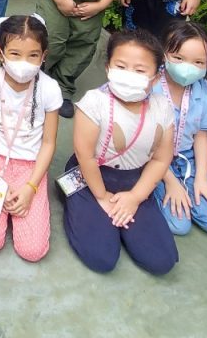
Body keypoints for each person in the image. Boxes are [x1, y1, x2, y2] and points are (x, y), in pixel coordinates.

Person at [63, 29, 178, 275]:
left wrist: (135, 197)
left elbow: (161, 159)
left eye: (140, 70)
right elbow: (85, 156)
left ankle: (121, 217)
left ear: (156, 77)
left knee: (161, 261)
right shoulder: (94, 102)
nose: (129, 75)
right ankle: (79, 202)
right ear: (108, 68)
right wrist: (102, 196)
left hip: (135, 181)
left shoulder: (162, 107)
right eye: (121, 66)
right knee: (101, 258)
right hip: (92, 177)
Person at [0, 15, 61, 262]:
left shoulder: (50, 89)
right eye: (15, 54)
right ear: (0, 53)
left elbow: (49, 142)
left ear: (44, 56)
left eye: (33, 55)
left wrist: (31, 187)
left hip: (32, 168)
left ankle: (27, 200)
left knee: (33, 251)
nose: (24, 63)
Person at [150, 21, 207, 236]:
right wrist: (171, 182)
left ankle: (191, 187)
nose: (188, 67)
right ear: (164, 53)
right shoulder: (150, 86)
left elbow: (201, 136)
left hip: (188, 161)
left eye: (198, 62)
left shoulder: (203, 90)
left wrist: (202, 178)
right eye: (178, 58)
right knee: (179, 225)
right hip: (152, 159)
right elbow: (144, 143)